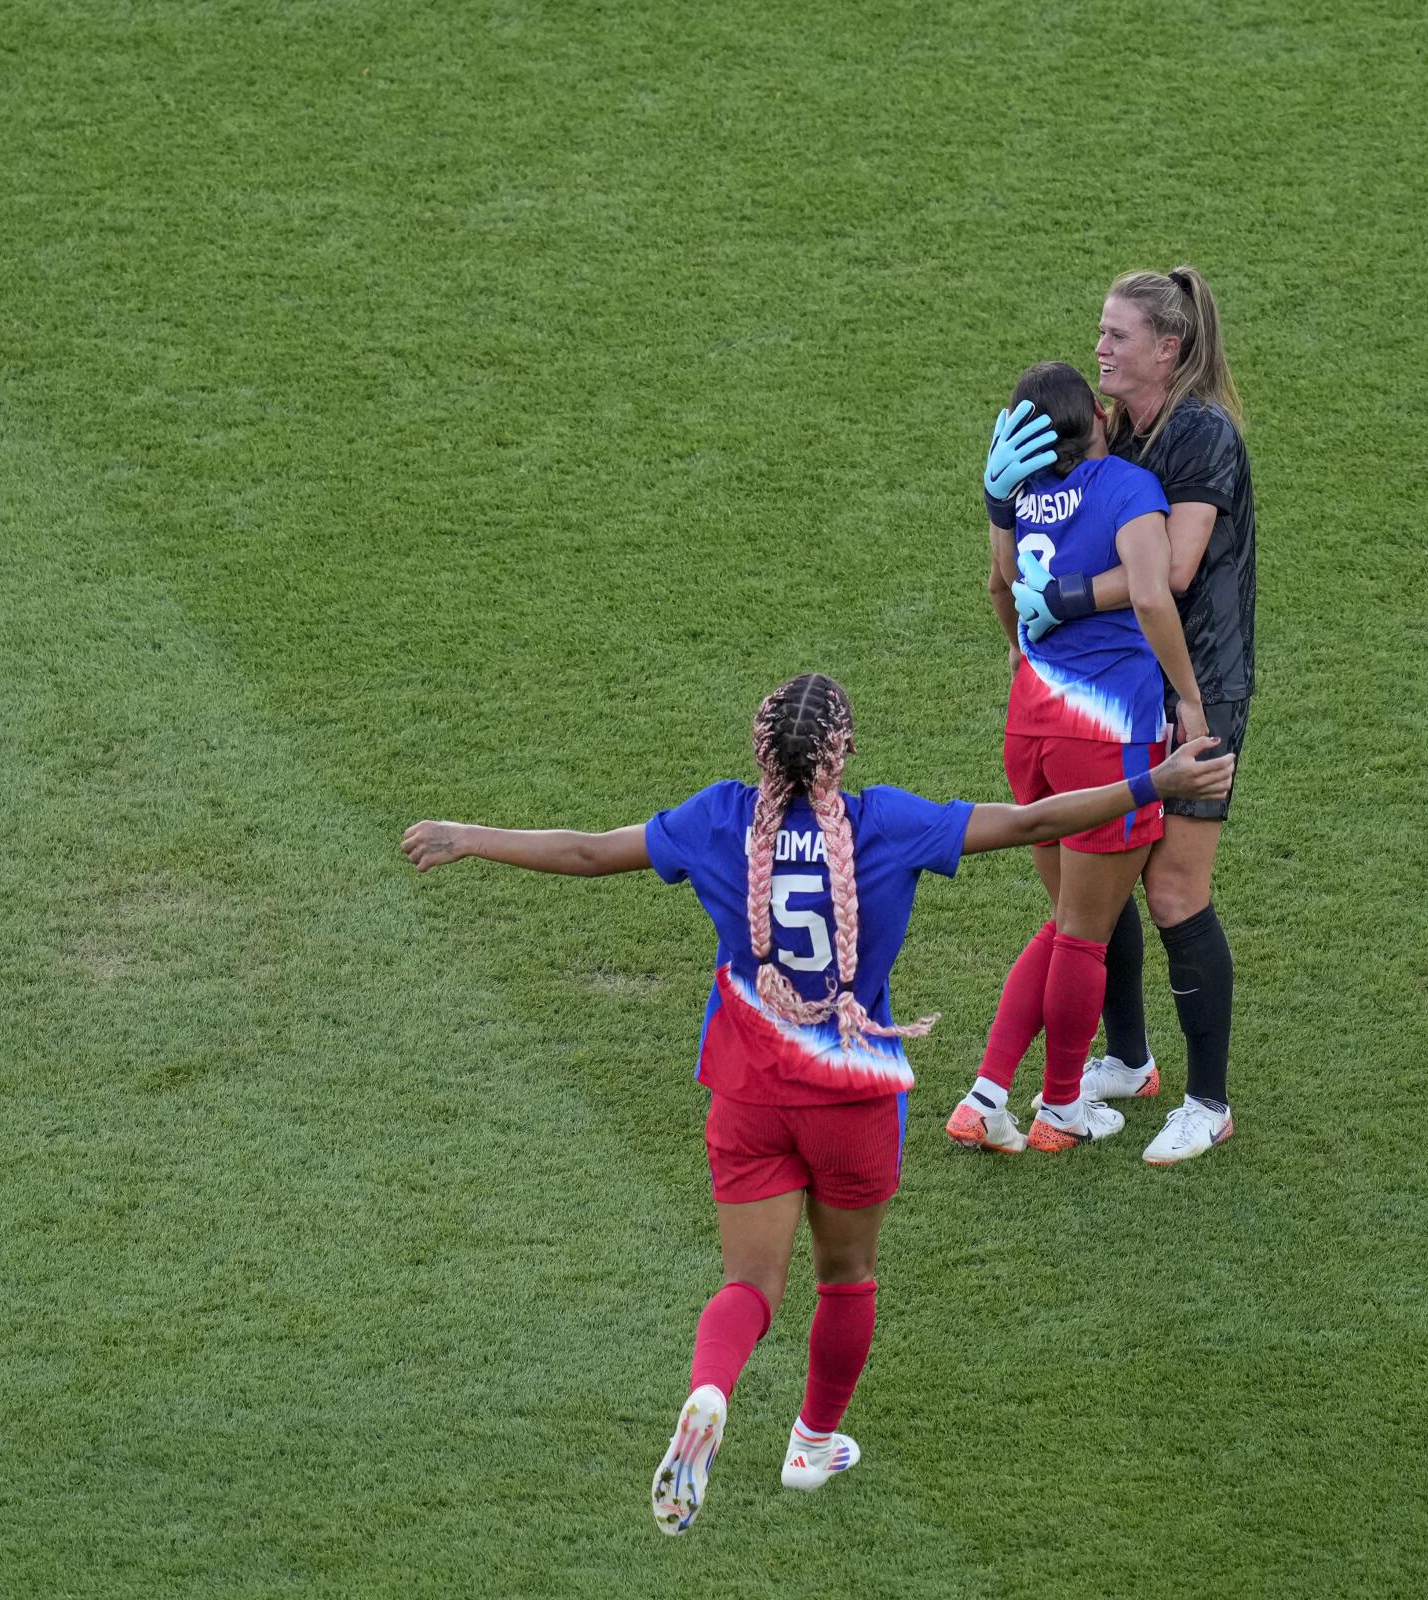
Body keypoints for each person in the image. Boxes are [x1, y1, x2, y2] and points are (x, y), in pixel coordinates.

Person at [400, 673, 1232, 1534]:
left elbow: (586, 852)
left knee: (750, 1286)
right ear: (844, 753)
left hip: (751, 1098)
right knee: (846, 1278)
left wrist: (470, 836)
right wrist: (1153, 784)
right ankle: (812, 1443)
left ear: (760, 753)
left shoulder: (717, 821)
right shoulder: (889, 825)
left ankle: (712, 1392)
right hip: (854, 1102)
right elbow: (1032, 822)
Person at [985, 265, 1257, 1166]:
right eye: (1099, 333)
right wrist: (1002, 511)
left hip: (1200, 684)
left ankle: (1208, 1101)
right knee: (1112, 867)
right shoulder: (1120, 436)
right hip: (1136, 691)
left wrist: (1058, 597)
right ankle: (1130, 1059)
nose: (1098, 346)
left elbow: (1171, 573)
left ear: (1167, 349)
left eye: (1117, 335)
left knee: (1176, 889)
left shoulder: (1202, 435)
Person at [948, 361, 1210, 1157]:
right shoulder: (1128, 487)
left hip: (1029, 728)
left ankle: (995, 1096)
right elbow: (1153, 593)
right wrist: (1190, 700)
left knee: (1070, 922)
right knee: (1081, 936)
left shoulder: (1021, 503)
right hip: (1107, 736)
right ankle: (1055, 1106)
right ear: (1097, 415)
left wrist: (1033, 663)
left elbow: (1000, 589)